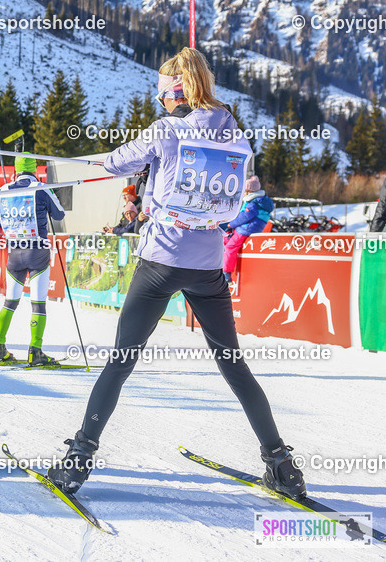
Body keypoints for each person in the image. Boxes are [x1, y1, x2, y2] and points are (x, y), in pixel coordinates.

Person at [47, 48, 305, 500]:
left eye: (162, 92)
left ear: (174, 91)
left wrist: (96, 161)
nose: (160, 101)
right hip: (208, 266)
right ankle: (282, 465)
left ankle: (76, 462)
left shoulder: (166, 130)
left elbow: (116, 162)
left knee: (121, 362)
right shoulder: (231, 129)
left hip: (162, 262)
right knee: (234, 366)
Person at [0, 155, 66, 366]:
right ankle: (36, 351)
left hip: (14, 251)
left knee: (10, 301)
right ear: (34, 169)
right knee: (38, 304)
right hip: (37, 251)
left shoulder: (4, 189)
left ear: (16, 170)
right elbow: (59, 215)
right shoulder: (41, 187)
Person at [222, 176, 273, 282]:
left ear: (249, 191)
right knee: (226, 239)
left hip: (247, 228)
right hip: (251, 227)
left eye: (244, 191)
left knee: (230, 247)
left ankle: (226, 274)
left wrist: (231, 224)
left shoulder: (253, 203)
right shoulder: (261, 201)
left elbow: (244, 217)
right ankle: (221, 265)